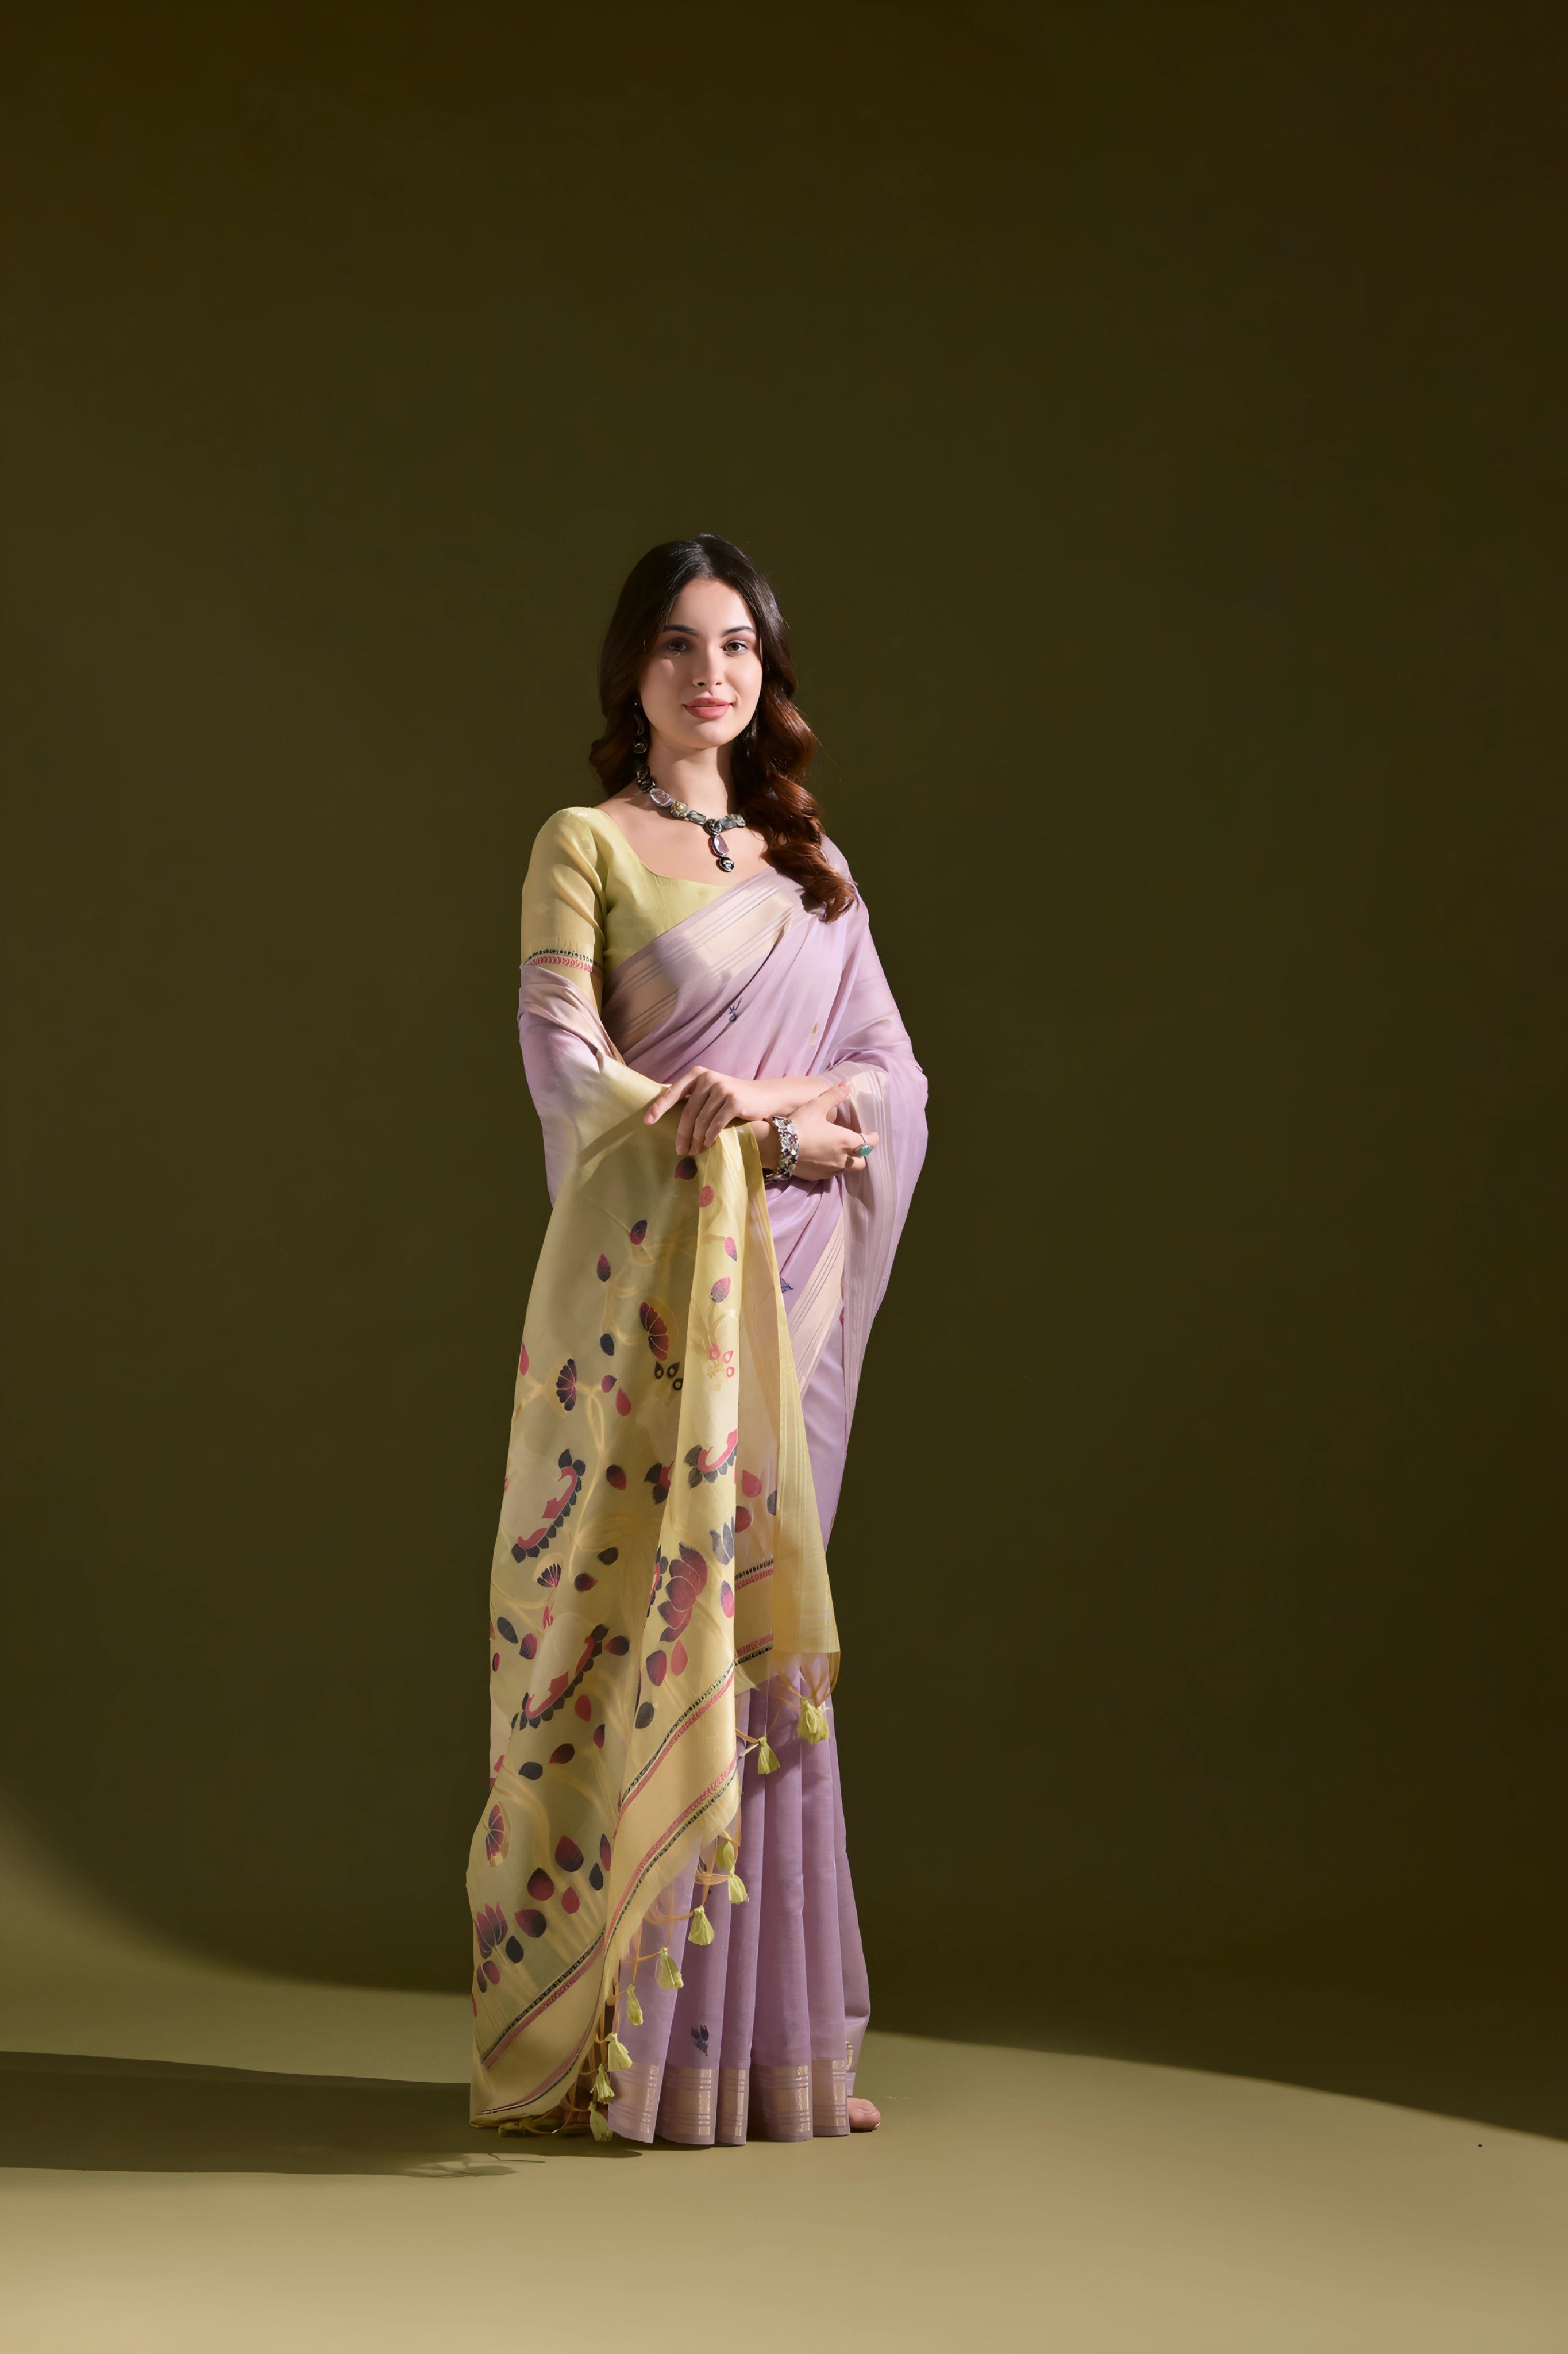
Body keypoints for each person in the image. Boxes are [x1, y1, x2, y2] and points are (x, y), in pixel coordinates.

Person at [467, 535, 926, 2145]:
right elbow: (566, 1070)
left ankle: (778, 2058)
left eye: (736, 644)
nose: (708, 671)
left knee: (767, 1640)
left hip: (783, 1292)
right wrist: (724, 1135)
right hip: (664, 1302)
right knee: (648, 1627)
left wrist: (782, 1126)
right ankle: (631, 2052)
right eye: (675, 645)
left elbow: (889, 1078)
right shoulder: (581, 842)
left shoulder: (815, 867)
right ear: (632, 674)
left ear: (765, 676)